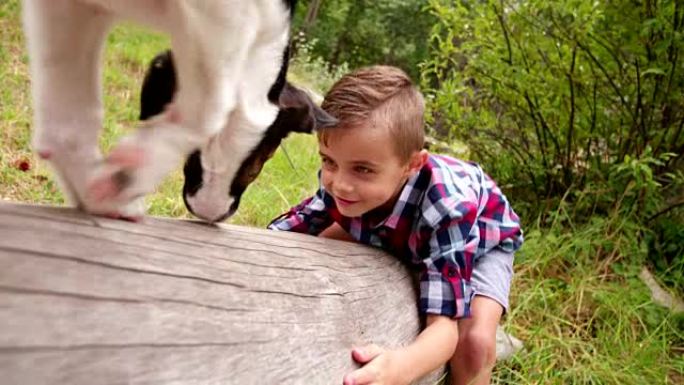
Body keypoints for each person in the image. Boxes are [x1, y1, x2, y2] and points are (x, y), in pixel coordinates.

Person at [268, 65, 523, 385]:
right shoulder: (343, 186)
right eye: (329, 161)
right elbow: (285, 233)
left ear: (412, 165)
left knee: (473, 345)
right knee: (320, 242)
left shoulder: (448, 207)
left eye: (362, 169)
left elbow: (443, 330)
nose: (341, 185)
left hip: (483, 236)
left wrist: (399, 368)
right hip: (397, 218)